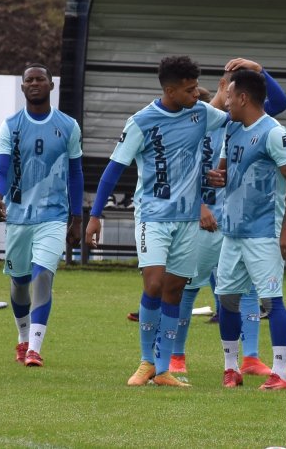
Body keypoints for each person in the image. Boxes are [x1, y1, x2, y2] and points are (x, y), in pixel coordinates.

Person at [85, 55, 229, 388]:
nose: (197, 95)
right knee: (153, 285)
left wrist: (214, 174)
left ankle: (163, 370)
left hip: (187, 219)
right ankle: (146, 362)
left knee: (175, 292)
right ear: (170, 89)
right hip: (152, 216)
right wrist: (94, 216)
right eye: (190, 89)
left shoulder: (202, 113)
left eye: (197, 88)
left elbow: (241, 122)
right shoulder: (141, 121)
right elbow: (114, 169)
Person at [172, 58, 286, 379]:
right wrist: (197, 206)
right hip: (202, 218)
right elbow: (180, 170)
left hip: (238, 219)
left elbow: (278, 103)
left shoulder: (239, 122)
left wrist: (261, 70)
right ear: (224, 90)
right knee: (189, 285)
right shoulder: (197, 121)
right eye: (230, 83)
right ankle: (176, 356)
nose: (234, 91)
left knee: (245, 289)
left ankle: (249, 357)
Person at [208, 69, 286, 390]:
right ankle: (231, 368)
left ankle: (281, 373)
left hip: (264, 233)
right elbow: (222, 171)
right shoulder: (231, 129)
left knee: (271, 301)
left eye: (230, 96)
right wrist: (217, 177)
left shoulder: (273, 133)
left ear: (244, 98)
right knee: (227, 300)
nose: (227, 102)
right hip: (232, 232)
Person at [0, 64, 83, 368]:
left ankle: (34, 348)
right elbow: (1, 168)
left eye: (40, 79)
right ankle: (22, 338)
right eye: (28, 80)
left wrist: (77, 216)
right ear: (22, 87)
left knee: (43, 275)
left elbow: (76, 173)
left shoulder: (68, 125)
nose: (34, 83)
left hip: (53, 217)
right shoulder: (11, 125)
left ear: (51, 85)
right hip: (18, 217)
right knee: (19, 283)